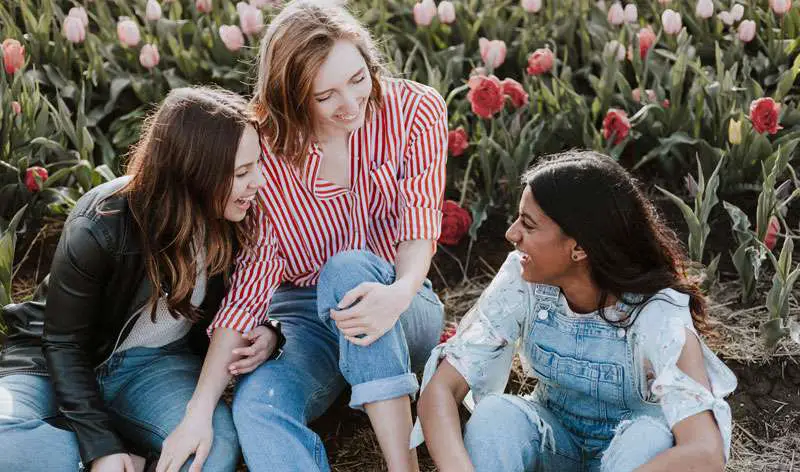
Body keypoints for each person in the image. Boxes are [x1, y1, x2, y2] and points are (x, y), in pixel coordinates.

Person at [203, 1, 447, 470]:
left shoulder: (416, 110)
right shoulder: (266, 148)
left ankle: (403, 465)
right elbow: (255, 277)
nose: (351, 104)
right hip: (306, 319)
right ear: (291, 97)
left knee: (348, 268)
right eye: (325, 95)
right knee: (258, 406)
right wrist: (201, 405)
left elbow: (419, 226)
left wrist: (398, 292)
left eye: (358, 79)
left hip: (400, 302)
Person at [0, 87, 273, 472]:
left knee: (213, 451)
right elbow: (62, 345)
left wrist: (270, 331)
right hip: (49, 362)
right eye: (242, 172)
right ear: (194, 174)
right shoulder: (101, 224)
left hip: (153, 367)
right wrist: (98, 450)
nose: (257, 181)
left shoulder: (239, 219)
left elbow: (259, 293)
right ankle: (122, 461)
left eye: (256, 165)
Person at [416, 150, 737, 472]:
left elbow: (705, 453)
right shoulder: (524, 281)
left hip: (632, 461)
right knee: (496, 415)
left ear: (580, 247)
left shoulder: (658, 314)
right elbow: (442, 389)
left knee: (647, 436)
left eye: (528, 224)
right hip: (555, 444)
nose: (511, 234)